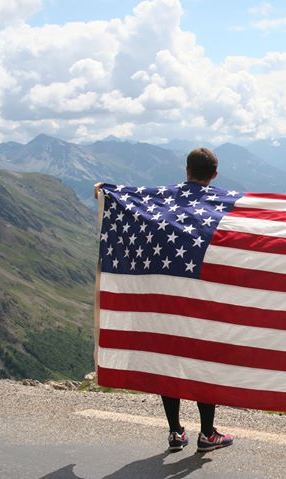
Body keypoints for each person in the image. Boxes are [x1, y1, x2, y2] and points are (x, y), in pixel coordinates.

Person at [94, 147, 234, 453]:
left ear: (186, 169)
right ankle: (207, 434)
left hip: (164, 300)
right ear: (214, 174)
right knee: (201, 364)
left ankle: (175, 432)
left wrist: (106, 193)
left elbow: (129, 200)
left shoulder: (158, 200)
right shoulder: (222, 204)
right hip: (199, 302)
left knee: (167, 364)